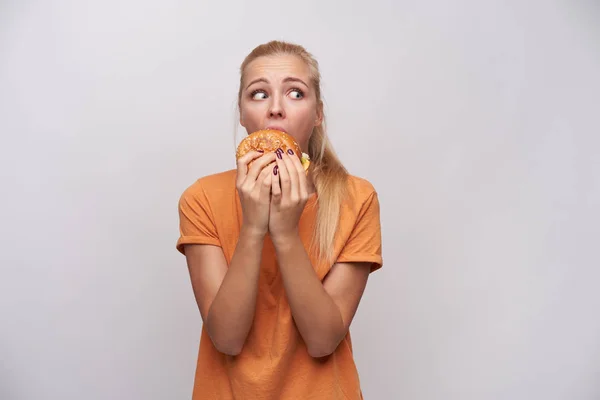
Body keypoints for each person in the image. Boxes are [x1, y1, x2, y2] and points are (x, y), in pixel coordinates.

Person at [176, 40, 383, 400]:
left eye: (295, 93)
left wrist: (285, 233)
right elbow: (226, 338)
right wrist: (255, 227)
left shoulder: (357, 198)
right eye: (258, 94)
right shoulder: (202, 198)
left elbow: (322, 340)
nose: (275, 109)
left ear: (318, 113)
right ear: (241, 114)